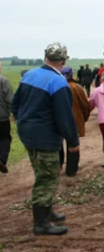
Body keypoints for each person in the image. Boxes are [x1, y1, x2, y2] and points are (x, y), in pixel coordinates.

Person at [12, 42, 79, 236]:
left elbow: (15, 104)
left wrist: (22, 120)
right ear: (64, 60)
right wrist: (73, 141)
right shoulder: (58, 83)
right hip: (45, 137)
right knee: (47, 178)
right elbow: (64, 116)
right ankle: (41, 224)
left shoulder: (29, 75)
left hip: (27, 134)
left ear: (45, 57)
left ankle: (48, 212)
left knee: (42, 171)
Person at [60, 67, 90, 177]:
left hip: (58, 120)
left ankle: (58, 165)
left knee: (58, 143)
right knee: (72, 144)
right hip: (74, 120)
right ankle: (71, 170)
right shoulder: (76, 87)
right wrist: (84, 118)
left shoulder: (55, 86)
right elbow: (85, 105)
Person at [0, 60, 14, 174]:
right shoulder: (2, 80)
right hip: (2, 118)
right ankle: (1, 160)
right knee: (5, 139)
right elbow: (9, 99)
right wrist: (15, 113)